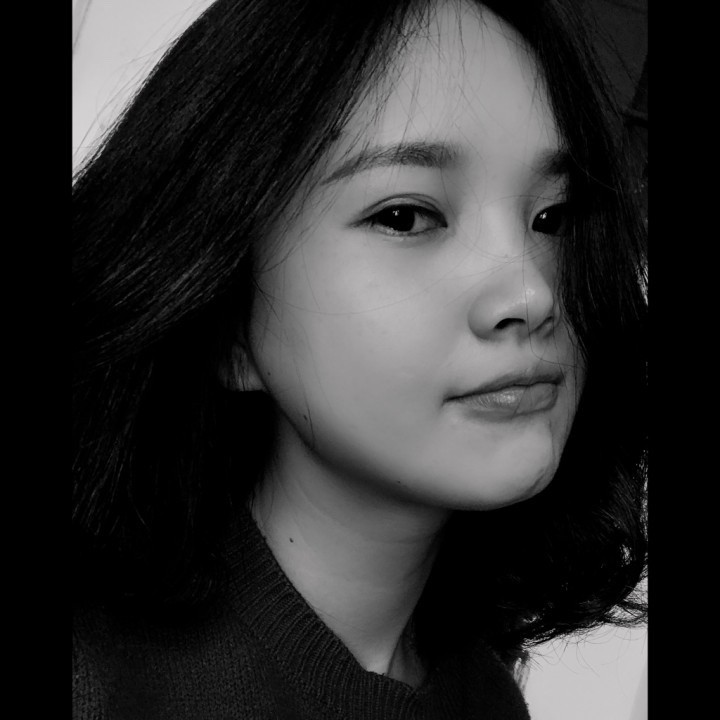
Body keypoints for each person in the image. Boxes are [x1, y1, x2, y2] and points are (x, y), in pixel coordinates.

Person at [72, 0, 648, 717]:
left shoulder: (488, 701)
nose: (533, 293)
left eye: (550, 218)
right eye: (406, 216)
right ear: (224, 317)